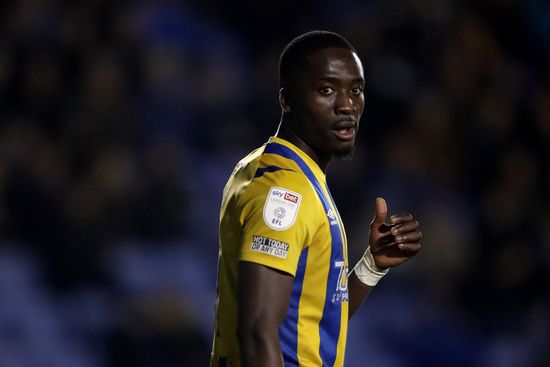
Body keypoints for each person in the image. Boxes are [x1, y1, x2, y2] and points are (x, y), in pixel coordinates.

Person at [210, 30, 422, 367]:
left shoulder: (268, 168)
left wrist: (371, 266)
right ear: (287, 100)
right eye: (326, 90)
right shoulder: (286, 192)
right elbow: (257, 332)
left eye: (355, 90)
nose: (346, 105)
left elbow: (313, 318)